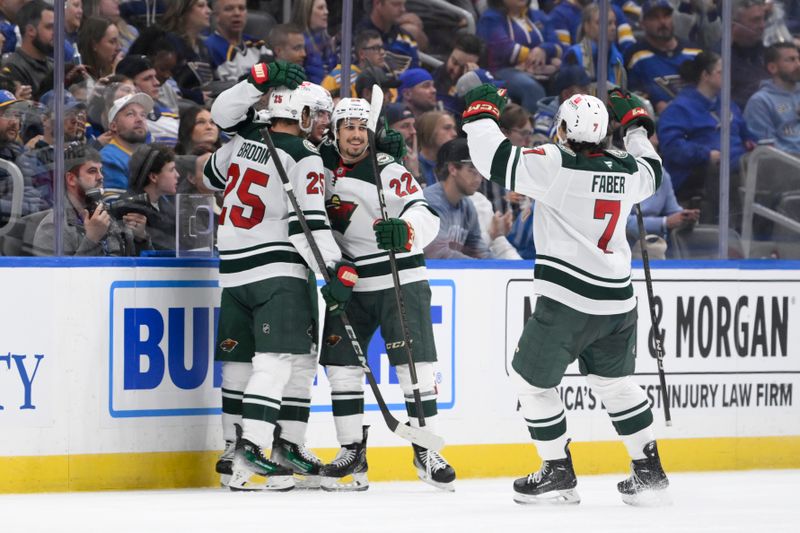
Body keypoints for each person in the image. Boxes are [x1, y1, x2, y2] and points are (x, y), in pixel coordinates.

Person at [462, 83, 669, 505]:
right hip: (617, 302)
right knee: (615, 384)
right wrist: (638, 125)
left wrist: (482, 113)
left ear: (562, 129)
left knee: (531, 382)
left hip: (568, 301)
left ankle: (557, 470)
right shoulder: (627, 168)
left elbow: (494, 159)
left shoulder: (556, 163)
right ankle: (649, 471)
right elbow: (654, 170)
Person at [204, 62, 353, 491]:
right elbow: (305, 222)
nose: (324, 123)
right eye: (319, 115)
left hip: (233, 269)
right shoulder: (304, 155)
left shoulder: (247, 137)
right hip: (278, 270)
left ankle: (237, 455)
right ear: (301, 114)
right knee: (279, 360)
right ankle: (255, 445)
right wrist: (334, 269)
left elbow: (209, 174)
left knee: (237, 363)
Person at [316, 96, 455, 492]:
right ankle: (352, 453)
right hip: (351, 281)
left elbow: (425, 213)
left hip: (400, 278)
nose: (356, 135)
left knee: (415, 369)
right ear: (336, 131)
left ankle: (426, 450)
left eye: (362, 128)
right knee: (342, 369)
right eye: (348, 128)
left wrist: (405, 231)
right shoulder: (318, 169)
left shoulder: (387, 169)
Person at [657, 52, 756, 222]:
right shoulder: (679, 108)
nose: (727, 76)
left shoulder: (727, 104)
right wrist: (706, 155)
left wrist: (756, 146)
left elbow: (746, 135)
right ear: (705, 75)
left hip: (738, 168)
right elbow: (672, 147)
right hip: (699, 175)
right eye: (721, 72)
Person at [32, 144, 150, 256]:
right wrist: (92, 239)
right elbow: (56, 277)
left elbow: (135, 268)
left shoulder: (108, 216)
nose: (100, 177)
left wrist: (140, 239)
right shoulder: (52, 227)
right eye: (92, 171)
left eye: (101, 171)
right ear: (71, 179)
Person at [476, 0, 560, 114]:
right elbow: (503, 48)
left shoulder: (538, 15)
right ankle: (533, 130)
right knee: (531, 88)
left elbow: (557, 45)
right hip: (501, 71)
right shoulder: (490, 18)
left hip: (537, 69)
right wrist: (536, 57)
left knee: (568, 76)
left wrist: (543, 50)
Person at [624, 0, 702, 114]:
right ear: (642, 23)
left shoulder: (695, 52)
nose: (662, 22)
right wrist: (654, 104)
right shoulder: (636, 56)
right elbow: (633, 94)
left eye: (666, 16)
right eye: (654, 18)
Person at [423, 138, 494, 259]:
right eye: (472, 170)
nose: (478, 179)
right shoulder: (430, 202)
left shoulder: (467, 206)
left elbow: (479, 250)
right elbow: (437, 253)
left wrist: (497, 268)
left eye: (480, 172)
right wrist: (481, 268)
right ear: (453, 169)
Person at [744, 42, 800, 156]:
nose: (798, 64)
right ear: (772, 67)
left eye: (798, 59)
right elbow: (766, 149)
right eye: (791, 60)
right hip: (787, 165)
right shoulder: (760, 101)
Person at [115, 54, 180, 147]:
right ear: (129, 85)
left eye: (155, 77)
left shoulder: (169, 114)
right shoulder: (119, 120)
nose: (157, 83)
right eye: (147, 79)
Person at [127, 143, 179, 251]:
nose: (177, 175)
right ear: (154, 177)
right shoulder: (130, 208)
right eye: (171, 170)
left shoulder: (167, 206)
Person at [564, 3, 627, 89]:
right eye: (603, 22)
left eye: (613, 23)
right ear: (587, 26)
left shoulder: (617, 57)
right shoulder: (574, 54)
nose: (613, 27)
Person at [99, 92, 153, 194]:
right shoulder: (108, 158)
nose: (140, 119)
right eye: (130, 114)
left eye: (143, 115)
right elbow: (118, 206)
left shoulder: (149, 155)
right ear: (114, 126)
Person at [205, 0, 270, 82]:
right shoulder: (208, 48)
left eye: (242, 8)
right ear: (216, 16)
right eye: (229, 9)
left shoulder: (257, 45)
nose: (237, 13)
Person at [163, 0, 214, 105]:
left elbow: (210, 81)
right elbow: (164, 83)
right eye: (201, 6)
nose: (209, 11)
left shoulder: (202, 45)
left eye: (208, 6)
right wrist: (195, 96)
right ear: (183, 11)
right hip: (183, 105)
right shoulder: (170, 42)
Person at [322, 29, 396, 100]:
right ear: (361, 54)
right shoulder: (338, 76)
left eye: (382, 47)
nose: (382, 52)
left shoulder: (387, 80)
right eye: (376, 48)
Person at [1, 1, 54, 97]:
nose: (56, 33)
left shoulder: (53, 65)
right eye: (49, 27)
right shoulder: (13, 67)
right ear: (31, 31)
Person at [355, 0, 419, 72]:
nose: (403, 9)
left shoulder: (406, 38)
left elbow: (416, 74)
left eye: (403, 4)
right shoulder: (355, 35)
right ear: (377, 3)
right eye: (396, 4)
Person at [549, 0, 635, 52]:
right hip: (582, 71)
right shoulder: (560, 13)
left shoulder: (613, 10)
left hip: (614, 66)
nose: (613, 27)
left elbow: (629, 46)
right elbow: (565, 52)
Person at [730, 0, 769, 111]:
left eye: (763, 19)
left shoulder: (769, 52)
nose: (762, 25)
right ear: (734, 25)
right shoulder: (721, 58)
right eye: (756, 20)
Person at [433, 33, 483, 117]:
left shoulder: (480, 83)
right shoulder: (438, 74)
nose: (456, 71)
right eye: (454, 62)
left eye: (464, 67)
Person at [291, 0, 337, 85]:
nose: (326, 12)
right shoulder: (296, 42)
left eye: (326, 8)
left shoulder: (329, 41)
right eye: (320, 8)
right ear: (306, 12)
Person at [416, 110, 457, 187]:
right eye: (447, 128)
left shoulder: (453, 166)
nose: (455, 134)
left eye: (454, 128)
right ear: (429, 130)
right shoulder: (412, 166)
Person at [77, 16, 122, 81]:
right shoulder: (79, 74)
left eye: (118, 41)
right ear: (94, 45)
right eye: (112, 42)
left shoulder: (101, 70)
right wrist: (114, 73)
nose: (119, 48)